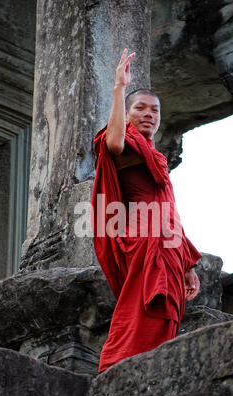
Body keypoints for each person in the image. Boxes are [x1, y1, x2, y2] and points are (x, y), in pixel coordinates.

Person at [91, 49, 202, 373]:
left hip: (168, 244)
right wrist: (119, 88)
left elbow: (170, 210)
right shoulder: (126, 143)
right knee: (140, 307)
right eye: (140, 108)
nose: (149, 114)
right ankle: (117, 366)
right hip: (142, 238)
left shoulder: (157, 158)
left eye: (155, 110)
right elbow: (112, 144)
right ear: (127, 115)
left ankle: (154, 369)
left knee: (166, 308)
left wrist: (187, 262)